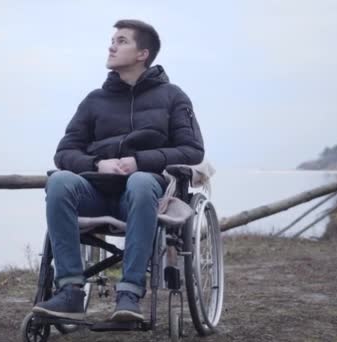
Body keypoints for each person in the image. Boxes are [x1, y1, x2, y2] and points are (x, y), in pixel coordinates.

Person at [32, 19, 204, 322]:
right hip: (95, 192)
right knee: (58, 182)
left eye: (122, 40)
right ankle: (70, 291)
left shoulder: (173, 97)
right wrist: (96, 163)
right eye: (113, 40)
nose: (112, 46)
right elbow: (64, 153)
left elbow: (193, 150)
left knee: (139, 182)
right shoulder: (94, 101)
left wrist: (141, 161)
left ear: (143, 54)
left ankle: (129, 295)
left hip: (143, 196)